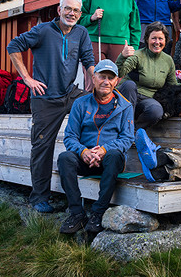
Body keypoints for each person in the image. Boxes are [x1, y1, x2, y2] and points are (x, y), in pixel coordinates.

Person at [7, 0, 94, 213]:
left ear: (80, 13)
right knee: (42, 147)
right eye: (68, 9)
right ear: (59, 9)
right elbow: (13, 46)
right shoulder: (43, 30)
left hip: (69, 93)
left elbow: (88, 61)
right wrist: (27, 79)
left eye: (76, 10)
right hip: (45, 98)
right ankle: (39, 198)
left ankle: (94, 168)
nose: (71, 13)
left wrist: (95, 84)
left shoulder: (81, 32)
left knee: (98, 103)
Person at [57, 59, 133, 234]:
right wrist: (83, 151)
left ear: (116, 81)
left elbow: (127, 138)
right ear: (94, 77)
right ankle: (77, 214)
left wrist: (104, 150)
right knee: (65, 158)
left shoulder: (125, 106)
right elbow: (70, 136)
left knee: (114, 155)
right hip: (85, 157)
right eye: (102, 77)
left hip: (110, 160)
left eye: (110, 78)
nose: (106, 81)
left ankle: (98, 213)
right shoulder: (80, 103)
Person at [78, 0, 141, 91]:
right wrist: (91, 17)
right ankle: (92, 111)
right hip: (95, 42)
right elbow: (77, 17)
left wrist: (133, 47)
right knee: (94, 82)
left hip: (120, 44)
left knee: (117, 83)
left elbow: (135, 25)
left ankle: (116, 111)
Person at [116, 22, 181, 130]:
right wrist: (122, 57)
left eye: (160, 39)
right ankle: (125, 129)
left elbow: (173, 87)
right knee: (129, 85)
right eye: (154, 38)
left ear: (165, 41)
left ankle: (133, 132)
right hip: (129, 96)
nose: (157, 42)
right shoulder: (138, 55)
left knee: (156, 111)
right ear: (147, 39)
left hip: (148, 100)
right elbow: (119, 72)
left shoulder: (168, 60)